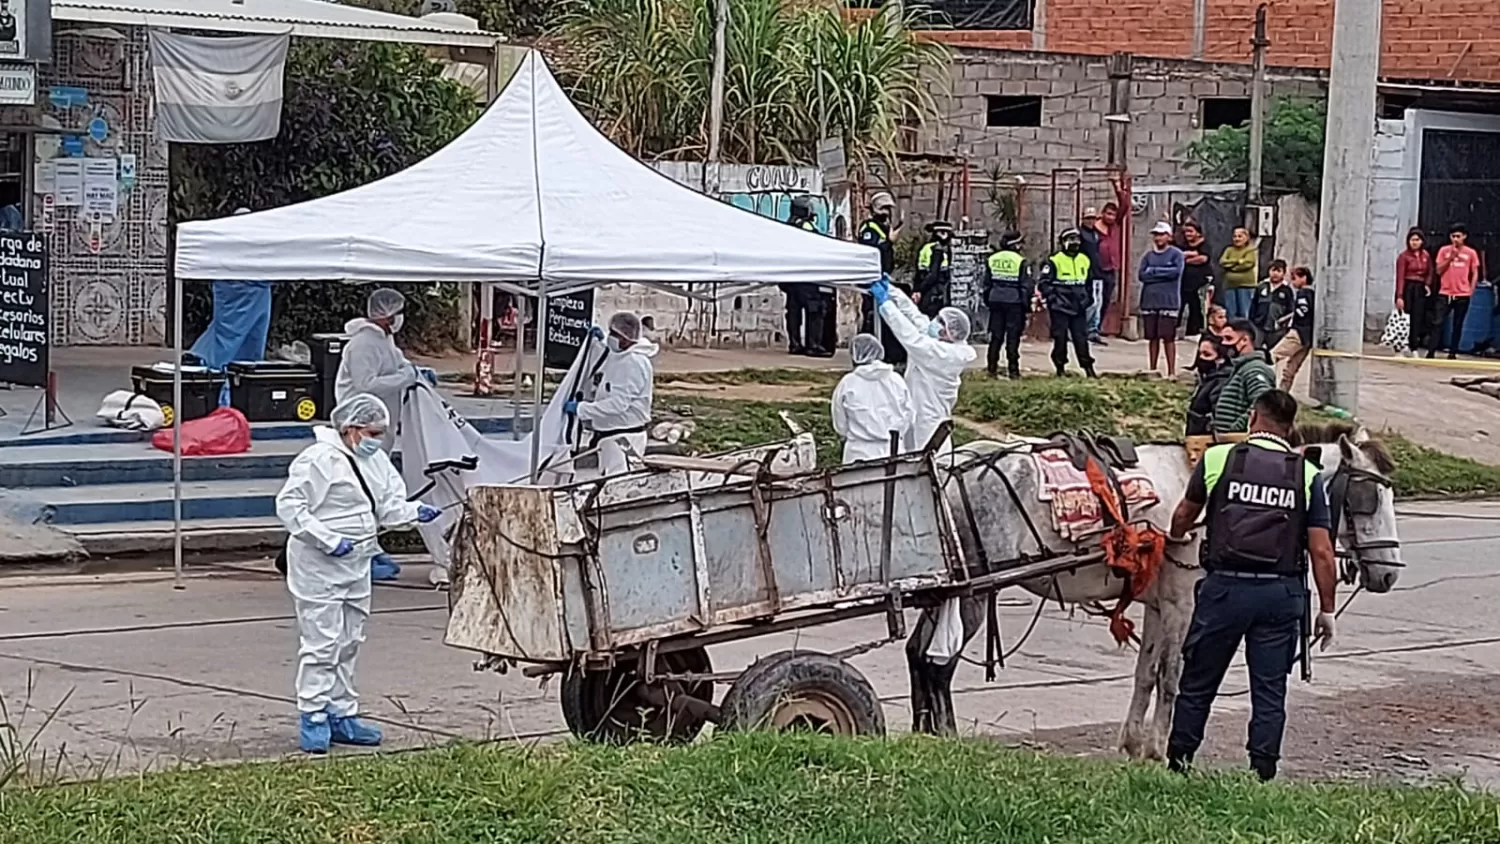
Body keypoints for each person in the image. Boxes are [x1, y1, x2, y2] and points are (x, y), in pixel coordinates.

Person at [1166, 389, 1338, 782]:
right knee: (1269, 689)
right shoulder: (1306, 474)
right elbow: (1322, 551)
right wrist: (1327, 610)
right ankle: (1262, 772)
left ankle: (1179, 764)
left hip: (1224, 590)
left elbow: (1183, 514)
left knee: (1198, 682)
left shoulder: (1217, 458)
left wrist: (1177, 536)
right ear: (1290, 429)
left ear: (1251, 420)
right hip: (1279, 596)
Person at [276, 393, 441, 754]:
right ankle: (314, 712)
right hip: (319, 565)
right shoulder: (319, 459)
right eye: (372, 432)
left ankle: (343, 712)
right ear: (351, 429)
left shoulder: (376, 461)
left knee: (350, 640)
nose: (376, 439)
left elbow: (388, 505)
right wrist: (327, 538)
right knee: (322, 642)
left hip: (356, 563)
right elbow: (291, 506)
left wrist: (414, 513)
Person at [334, 287, 437, 582]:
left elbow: (400, 364)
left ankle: (370, 545)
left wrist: (415, 371)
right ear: (387, 314)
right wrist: (407, 377)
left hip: (380, 425)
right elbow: (366, 384)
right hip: (359, 423)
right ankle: (359, 549)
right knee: (359, 490)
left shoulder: (385, 339)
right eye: (397, 312)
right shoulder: (363, 344)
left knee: (375, 487)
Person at [866, 278, 975, 454]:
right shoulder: (939, 340)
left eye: (941, 322)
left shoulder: (944, 355)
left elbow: (910, 336)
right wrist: (892, 290)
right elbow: (914, 316)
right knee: (910, 458)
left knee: (932, 462)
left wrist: (886, 305)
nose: (934, 321)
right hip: (916, 410)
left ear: (948, 333)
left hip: (929, 418)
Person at [565, 312, 658, 477]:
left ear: (625, 338)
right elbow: (609, 356)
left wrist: (582, 409)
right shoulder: (622, 356)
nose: (611, 338)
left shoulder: (632, 363)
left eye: (614, 334)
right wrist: (597, 343)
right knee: (608, 479)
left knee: (618, 484)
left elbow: (618, 404)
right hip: (612, 435)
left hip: (623, 438)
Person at [831, 333, 912, 463]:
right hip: (893, 450)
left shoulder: (848, 383)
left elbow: (840, 422)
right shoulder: (896, 380)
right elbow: (908, 415)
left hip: (858, 452)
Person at [1038, 228, 1097, 378]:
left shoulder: (1084, 259)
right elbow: (1044, 284)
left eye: (1077, 239)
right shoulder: (1054, 260)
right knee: (1060, 339)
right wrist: (1054, 299)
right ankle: (1060, 368)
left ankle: (1088, 369)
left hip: (1079, 306)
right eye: (1071, 239)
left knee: (1081, 339)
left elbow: (1089, 282)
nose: (1075, 243)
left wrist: (1088, 298)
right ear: (1063, 242)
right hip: (1060, 306)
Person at [858, 191, 907, 366]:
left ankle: (886, 352)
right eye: (883, 208)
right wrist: (889, 242)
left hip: (883, 277)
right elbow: (871, 252)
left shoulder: (885, 227)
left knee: (885, 317)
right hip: (871, 279)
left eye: (888, 208)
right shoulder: (868, 228)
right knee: (871, 315)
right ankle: (865, 353)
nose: (887, 212)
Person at [782, 196, 832, 357]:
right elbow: (817, 244)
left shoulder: (787, 225)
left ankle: (794, 343)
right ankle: (813, 345)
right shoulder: (806, 226)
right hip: (806, 275)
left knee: (793, 311)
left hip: (790, 276)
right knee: (815, 309)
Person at [1212, 318, 1277, 434]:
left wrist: (1236, 429)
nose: (1223, 343)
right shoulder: (1241, 368)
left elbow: (1263, 402)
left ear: (1245, 340)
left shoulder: (1254, 369)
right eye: (1222, 339)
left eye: (1229, 338)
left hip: (1238, 442)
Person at [1138, 221, 1185, 377]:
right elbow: (1142, 275)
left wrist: (1154, 272)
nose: (1158, 238)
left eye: (1161, 234)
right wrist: (1161, 273)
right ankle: (1153, 369)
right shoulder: (1148, 256)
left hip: (1168, 302)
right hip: (1150, 301)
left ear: (1169, 236)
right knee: (1152, 337)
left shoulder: (1176, 254)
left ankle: (1171, 372)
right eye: (1156, 235)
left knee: (1168, 337)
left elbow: (1175, 273)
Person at [984, 231, 1033, 379]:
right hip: (1014, 303)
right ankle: (1013, 371)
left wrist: (989, 300)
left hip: (995, 301)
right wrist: (1026, 307)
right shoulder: (1020, 261)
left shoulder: (992, 259)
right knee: (1012, 338)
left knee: (996, 337)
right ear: (1016, 245)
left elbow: (986, 284)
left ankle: (991, 369)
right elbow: (1026, 287)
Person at [1429, 223, 1480, 360]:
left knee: (1458, 324)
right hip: (1445, 292)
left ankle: (1453, 352)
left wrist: (1471, 288)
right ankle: (1431, 351)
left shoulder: (1471, 253)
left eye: (1458, 236)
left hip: (1462, 293)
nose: (1455, 239)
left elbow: (1475, 272)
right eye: (1453, 236)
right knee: (1437, 322)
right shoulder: (1444, 251)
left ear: (1464, 237)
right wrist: (1450, 257)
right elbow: (1438, 270)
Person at [1271, 266, 1316, 391]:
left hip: (1298, 332)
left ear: (1304, 278)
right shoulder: (1313, 294)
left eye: (1294, 278)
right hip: (1308, 337)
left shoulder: (1302, 294)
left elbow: (1303, 311)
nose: (1292, 282)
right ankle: (1283, 392)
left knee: (1273, 355)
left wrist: (1294, 318)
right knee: (1291, 368)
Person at [1094, 192, 1127, 344]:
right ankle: (1091, 328)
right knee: (1095, 300)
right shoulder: (1095, 228)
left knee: (1106, 299)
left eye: (1113, 215)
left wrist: (1117, 187)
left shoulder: (1115, 226)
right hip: (1097, 268)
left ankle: (1098, 327)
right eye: (1108, 214)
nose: (1111, 217)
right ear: (1102, 213)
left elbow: (1125, 206)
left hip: (1111, 268)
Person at [1395, 228, 1433, 353]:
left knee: (1418, 316)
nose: (1414, 243)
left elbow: (1430, 271)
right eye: (1412, 240)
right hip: (1408, 286)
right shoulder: (1404, 256)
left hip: (1420, 287)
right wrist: (1399, 295)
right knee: (1405, 315)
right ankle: (1401, 344)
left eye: (1417, 240)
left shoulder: (1426, 256)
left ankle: (1414, 345)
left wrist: (1427, 284)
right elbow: (1400, 276)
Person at [1185, 338, 1231, 436]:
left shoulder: (1221, 381)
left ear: (1220, 359)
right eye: (1200, 354)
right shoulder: (1208, 378)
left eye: (1207, 354)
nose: (1201, 358)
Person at [1179, 221, 1215, 337]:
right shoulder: (1182, 244)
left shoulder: (1205, 244)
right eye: (1186, 232)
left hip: (1200, 282)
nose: (1187, 234)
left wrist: (1187, 258)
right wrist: (1193, 255)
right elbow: (1178, 257)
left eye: (1190, 231)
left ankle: (1194, 332)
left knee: (1197, 307)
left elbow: (1203, 259)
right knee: (1180, 306)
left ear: (1198, 233)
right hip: (1183, 282)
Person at [1250, 259, 1294, 351]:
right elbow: (1253, 305)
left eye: (1279, 271)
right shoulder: (1261, 286)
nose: (1275, 274)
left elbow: (1290, 310)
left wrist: (1283, 324)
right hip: (1259, 325)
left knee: (1274, 351)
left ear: (1284, 273)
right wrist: (1252, 321)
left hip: (1276, 329)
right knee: (1256, 349)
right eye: (1273, 270)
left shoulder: (1286, 290)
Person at [914, 221, 955, 318]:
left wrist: (916, 289)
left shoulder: (926, 247)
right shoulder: (937, 249)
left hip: (927, 286)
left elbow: (919, 272)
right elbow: (933, 274)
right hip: (933, 291)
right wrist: (920, 290)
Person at [1078, 207, 1106, 345]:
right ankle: (1084, 328)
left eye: (1093, 218)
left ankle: (1093, 330)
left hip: (1096, 271)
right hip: (1084, 273)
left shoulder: (1095, 234)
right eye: (1088, 218)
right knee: (1090, 302)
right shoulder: (1080, 234)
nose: (1091, 221)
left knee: (1098, 303)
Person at [1219, 227, 1260, 321]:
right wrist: (1238, 261)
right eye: (1234, 236)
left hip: (1245, 286)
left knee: (1244, 312)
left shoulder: (1250, 250)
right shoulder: (1229, 250)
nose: (1236, 239)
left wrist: (1231, 267)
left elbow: (1247, 264)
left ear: (1246, 238)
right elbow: (1222, 262)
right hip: (1229, 285)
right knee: (1231, 312)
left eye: (1240, 236)